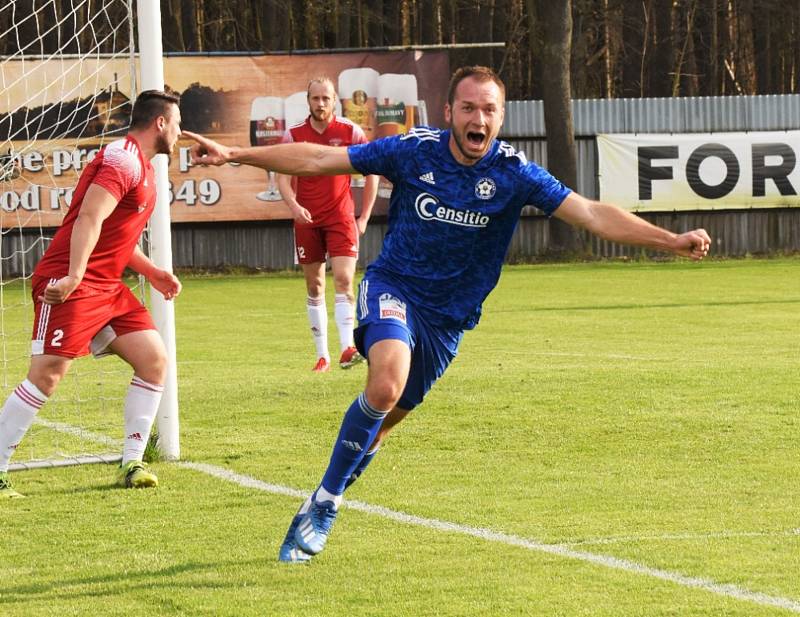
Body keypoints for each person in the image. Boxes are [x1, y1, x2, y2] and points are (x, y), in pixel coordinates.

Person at [184, 66, 711, 563]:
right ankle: (325, 500)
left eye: (488, 110)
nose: (477, 120)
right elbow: (322, 161)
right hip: (395, 287)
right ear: (448, 110)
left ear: (501, 117)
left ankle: (331, 491)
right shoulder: (413, 151)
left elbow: (591, 213)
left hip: (449, 320)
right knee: (386, 383)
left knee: (382, 426)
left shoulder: (515, 173)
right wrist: (236, 155)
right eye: (467, 108)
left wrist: (671, 240)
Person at [0, 90, 183, 498]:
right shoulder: (121, 159)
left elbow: (114, 235)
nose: (180, 131)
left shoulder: (145, 168)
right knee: (46, 376)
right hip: (70, 283)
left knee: (153, 360)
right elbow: (89, 218)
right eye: (178, 122)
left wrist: (152, 271)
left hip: (107, 287)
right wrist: (72, 277)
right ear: (160, 123)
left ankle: (132, 462)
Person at [276, 77, 379, 373]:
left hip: (341, 218)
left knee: (345, 281)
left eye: (326, 98)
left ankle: (347, 347)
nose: (321, 104)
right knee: (315, 284)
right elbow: (281, 177)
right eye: (315, 98)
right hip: (307, 221)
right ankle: (322, 355)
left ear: (335, 100)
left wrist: (364, 216)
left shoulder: (350, 131)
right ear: (308, 101)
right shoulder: (294, 134)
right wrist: (294, 207)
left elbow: (372, 171)